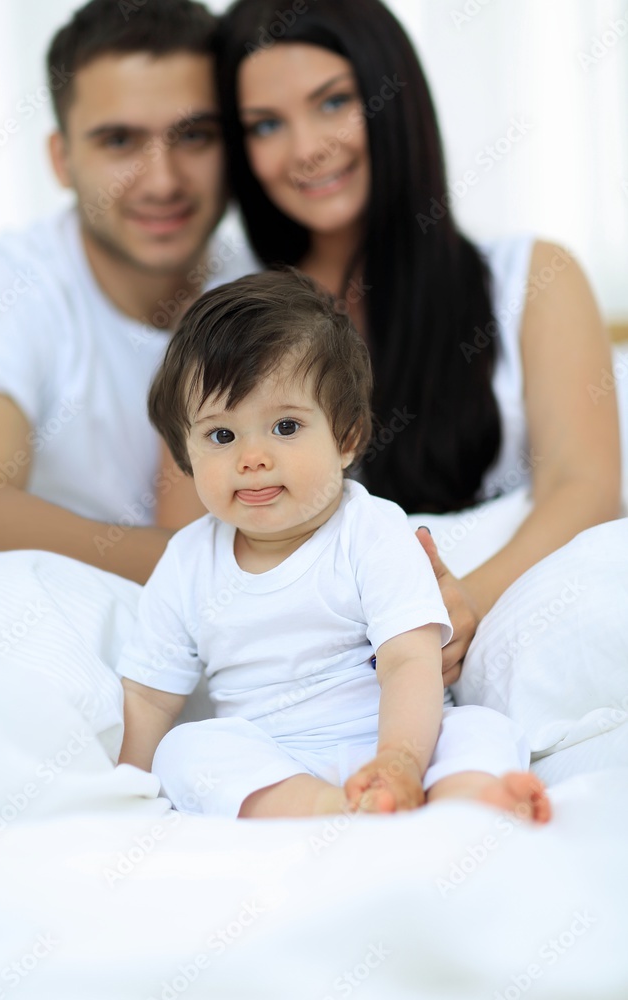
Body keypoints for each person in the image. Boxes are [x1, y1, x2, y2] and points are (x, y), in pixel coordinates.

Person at [211, 0, 621, 682]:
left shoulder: (534, 277)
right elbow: (202, 537)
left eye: (333, 101)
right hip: (334, 664)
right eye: (266, 124)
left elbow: (583, 487)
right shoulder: (234, 322)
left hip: (494, 617)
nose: (306, 147)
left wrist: (448, 610)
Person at [117, 270, 551, 822]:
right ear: (186, 455)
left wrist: (398, 759)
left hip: (395, 737)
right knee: (185, 752)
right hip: (277, 759)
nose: (252, 457)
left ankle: (466, 796)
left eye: (285, 427)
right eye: (221, 436)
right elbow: (150, 694)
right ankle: (330, 808)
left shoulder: (370, 530)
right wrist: (123, 789)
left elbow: (408, 661)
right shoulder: (187, 561)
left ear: (346, 438)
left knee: (479, 727)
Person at [0, 0, 258, 585]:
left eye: (194, 135)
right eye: (120, 141)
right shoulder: (9, 281)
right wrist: (219, 573)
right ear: (61, 159)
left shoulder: (260, 287)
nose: (163, 180)